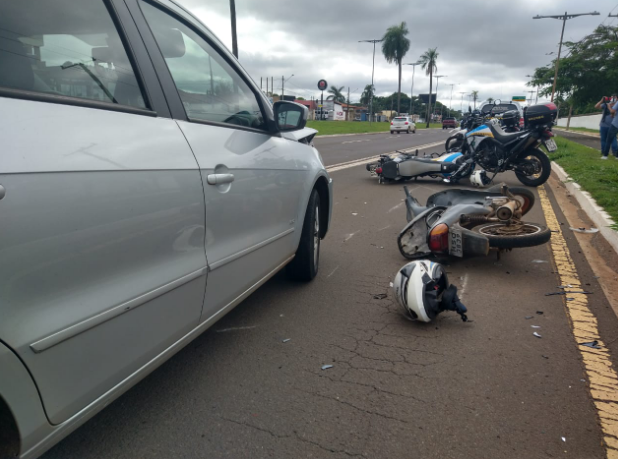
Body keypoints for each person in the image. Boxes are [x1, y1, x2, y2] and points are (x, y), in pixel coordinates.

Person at [596, 94, 618, 159]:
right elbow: (596, 106)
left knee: (613, 140)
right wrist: (601, 101)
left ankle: (614, 153)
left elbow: (612, 112)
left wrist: (610, 107)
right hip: (604, 125)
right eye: (612, 98)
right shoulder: (606, 105)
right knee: (603, 139)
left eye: (614, 98)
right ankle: (604, 151)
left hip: (613, 125)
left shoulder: (615, 105)